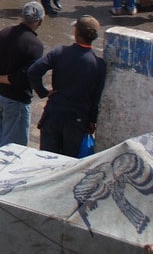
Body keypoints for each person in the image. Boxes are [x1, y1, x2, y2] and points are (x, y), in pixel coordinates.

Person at [28, 16, 107, 157]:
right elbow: (96, 98)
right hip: (77, 122)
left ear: (76, 33)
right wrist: (91, 121)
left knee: (46, 163)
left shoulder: (59, 52)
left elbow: (33, 71)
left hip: (53, 115)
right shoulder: (99, 65)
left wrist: (43, 92)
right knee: (68, 164)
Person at [0, 1, 45, 148]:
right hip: (16, 102)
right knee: (12, 153)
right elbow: (22, 77)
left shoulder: (4, 32)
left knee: (0, 147)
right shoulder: (35, 45)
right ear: (39, 22)